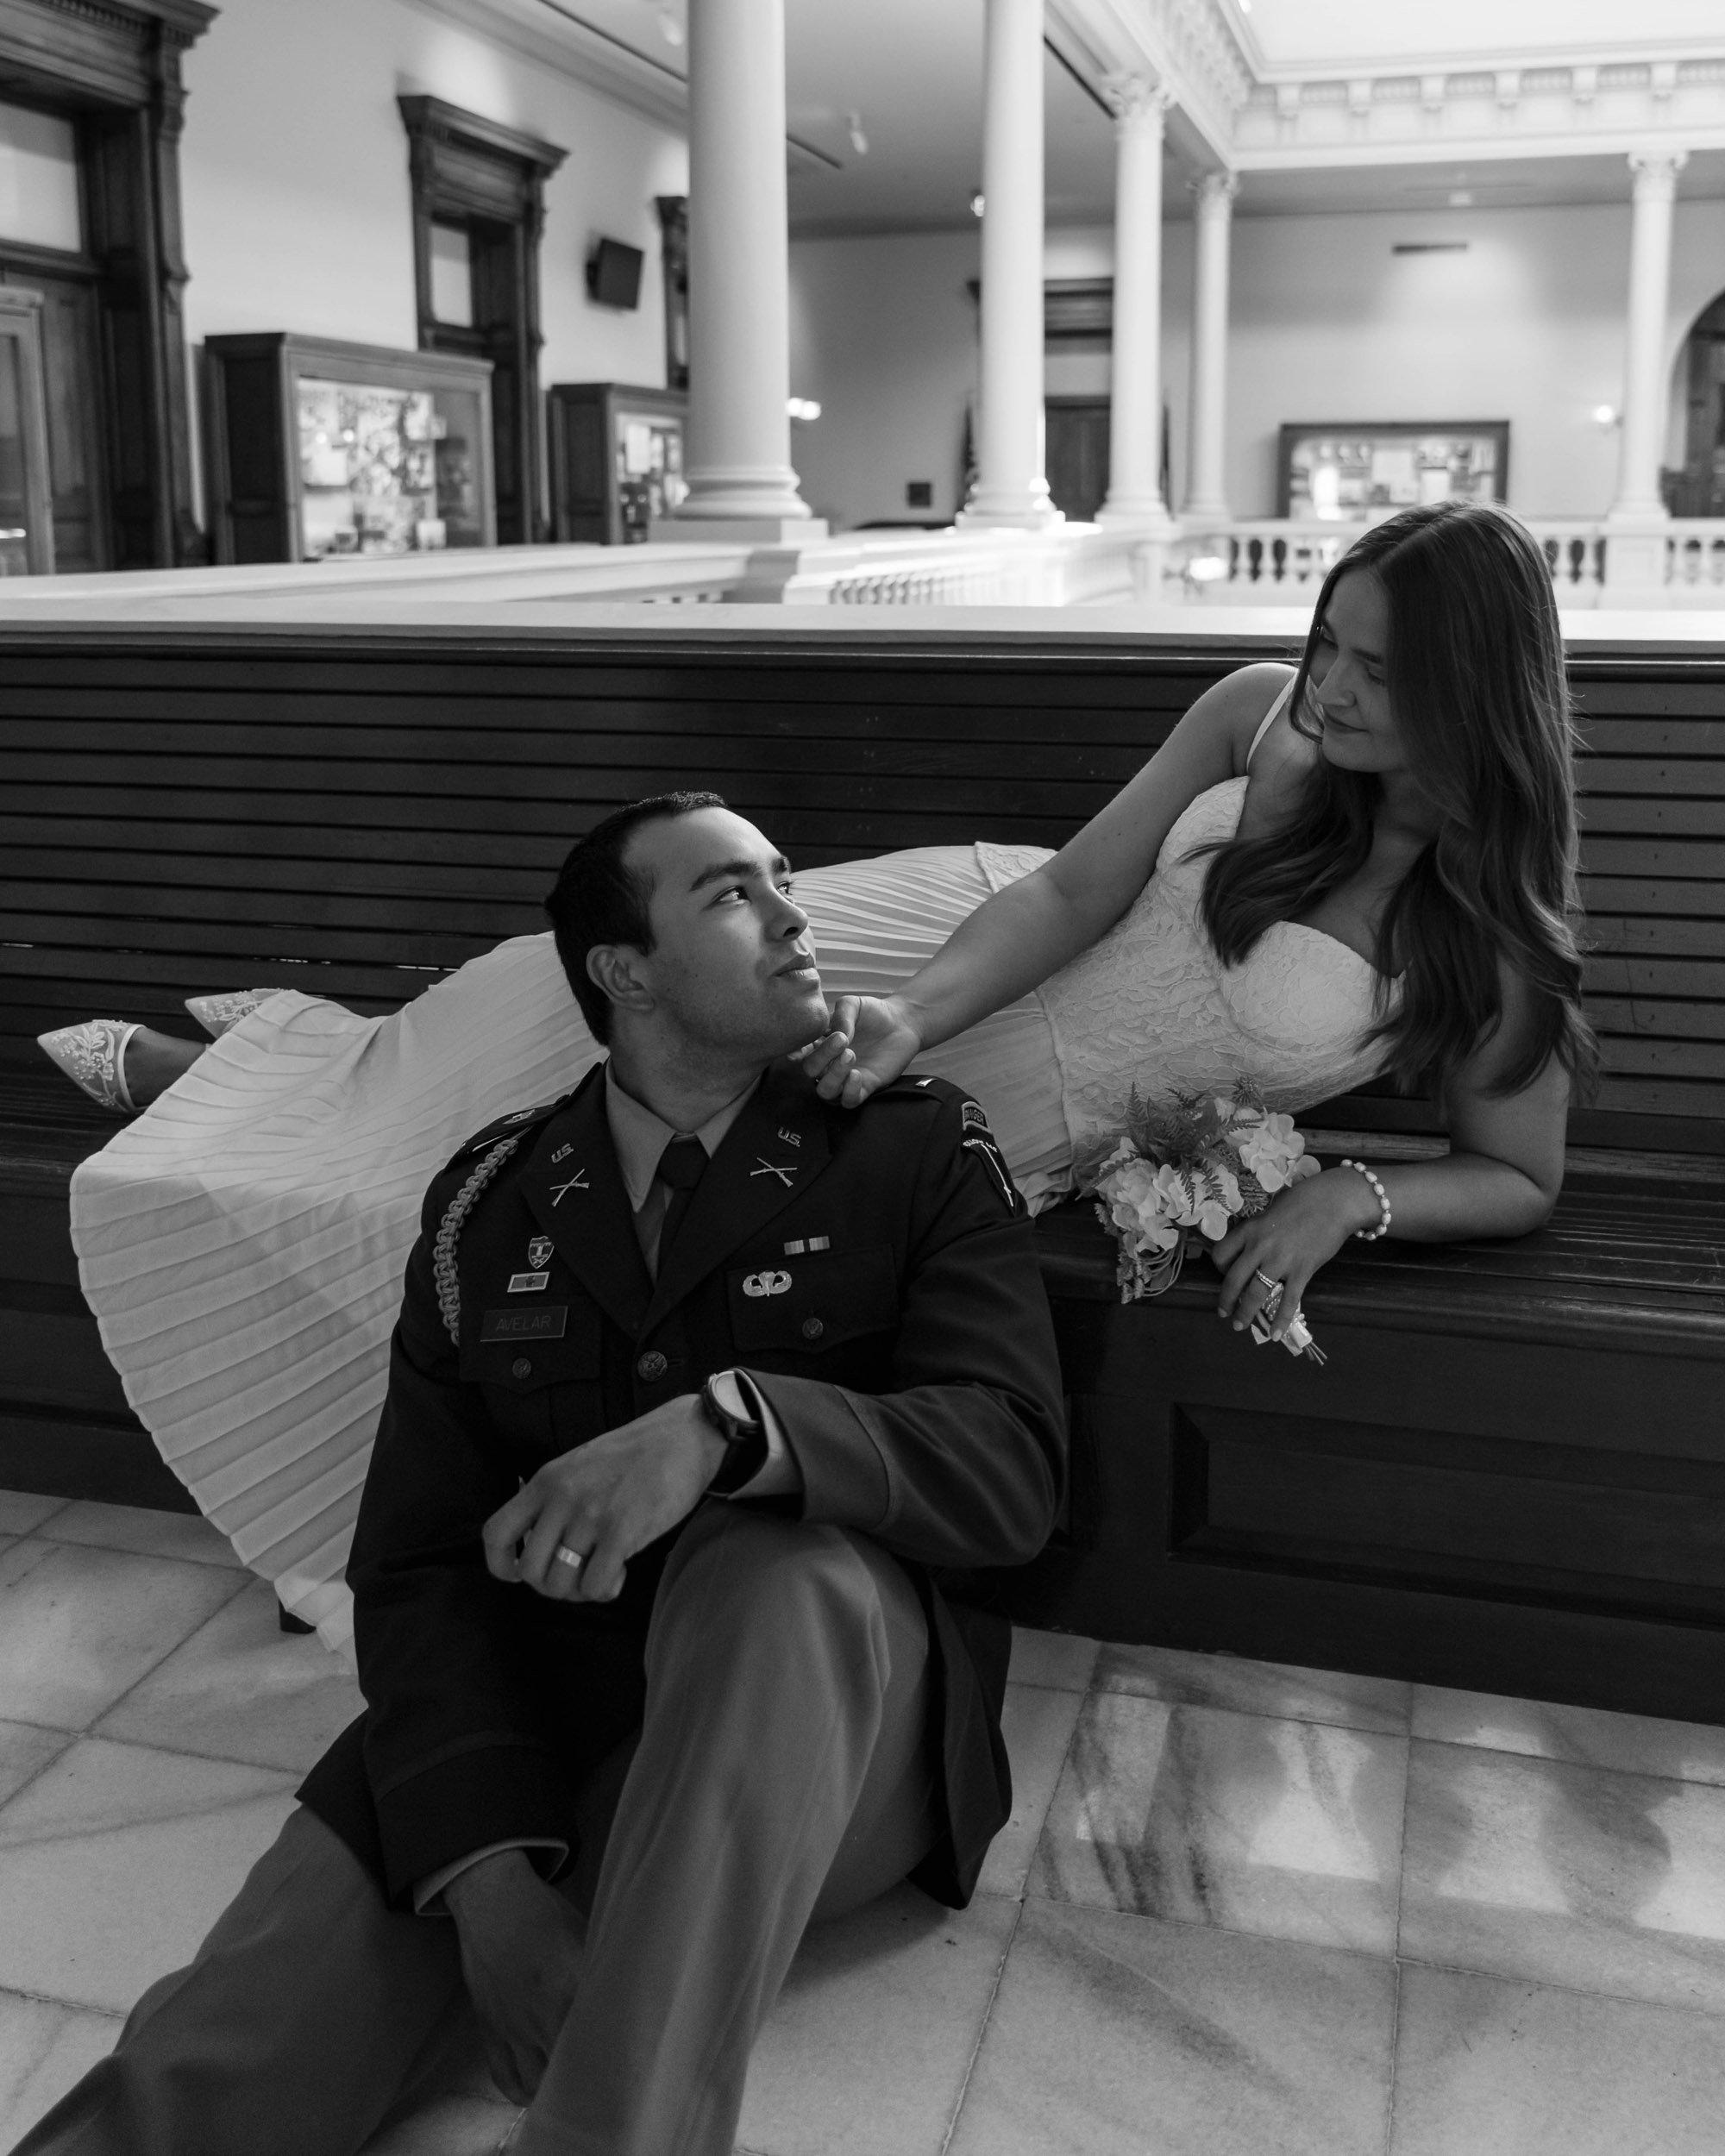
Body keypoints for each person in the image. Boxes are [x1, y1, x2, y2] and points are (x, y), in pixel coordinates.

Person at [41, 499, 1591, 1645]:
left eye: (1377, 670)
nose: (1329, 679)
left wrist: (1348, 1195)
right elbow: (1068, 892)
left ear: (1472, 688)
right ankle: (258, 1069)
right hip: (946, 948)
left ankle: (288, 1104)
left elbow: (1520, 1173)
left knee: (615, 1169)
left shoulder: (1493, 924)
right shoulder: (1259, 719)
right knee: (547, 996)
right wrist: (909, 1012)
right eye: (1331, 635)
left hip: (1028, 1115)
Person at [14, 793, 1066, 2156]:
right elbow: (419, 1561)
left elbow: (1012, 1465)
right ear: (624, 972)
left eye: (783, 880)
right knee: (223, 2057)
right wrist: (490, 1880)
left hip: (836, 1739)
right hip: (554, 1727)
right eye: (734, 895)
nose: (797, 917)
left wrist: (725, 1429)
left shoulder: (915, 1147)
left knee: (777, 1567)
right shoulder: (489, 1202)